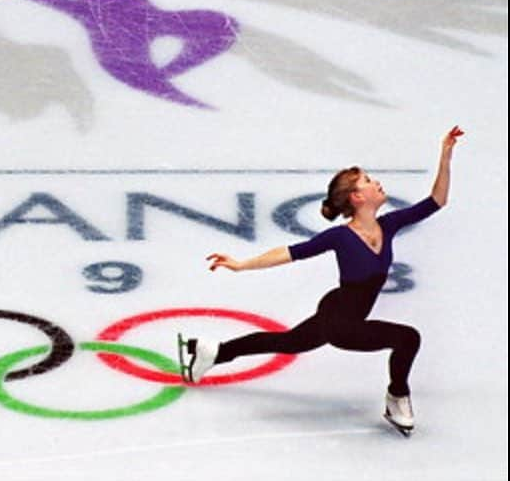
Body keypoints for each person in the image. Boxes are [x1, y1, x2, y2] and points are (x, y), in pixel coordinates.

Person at [188, 126, 464, 436]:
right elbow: (290, 252)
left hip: (341, 309)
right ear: (358, 197)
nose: (377, 183)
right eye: (369, 181)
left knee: (287, 342)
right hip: (340, 322)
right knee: (407, 338)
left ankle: (215, 351)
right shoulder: (340, 237)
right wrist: (241, 265)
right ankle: (397, 397)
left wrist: (445, 154)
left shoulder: (389, 225)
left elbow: (436, 201)